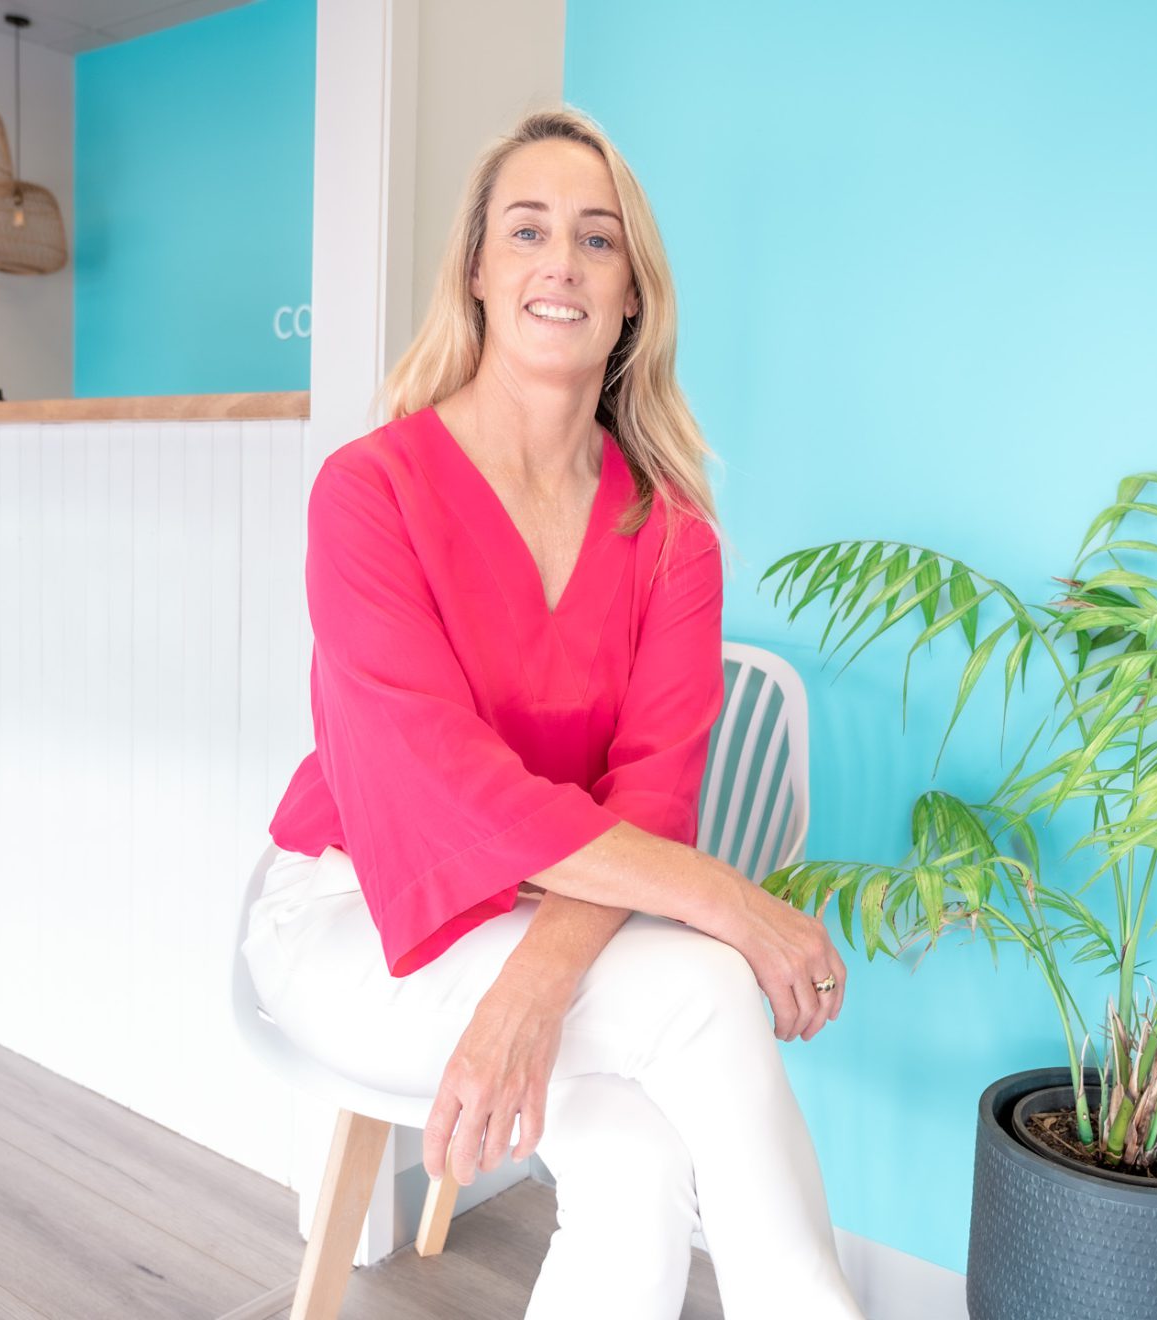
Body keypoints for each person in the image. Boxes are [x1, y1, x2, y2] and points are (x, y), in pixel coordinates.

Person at [241, 105, 867, 1320]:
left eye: (597, 239)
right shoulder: (369, 493)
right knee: (708, 986)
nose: (561, 263)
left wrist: (530, 989)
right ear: (477, 272)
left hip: (541, 926)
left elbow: (651, 798)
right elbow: (442, 788)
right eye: (527, 231)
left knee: (636, 1164)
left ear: (633, 295)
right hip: (354, 915)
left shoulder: (673, 535)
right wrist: (733, 903)